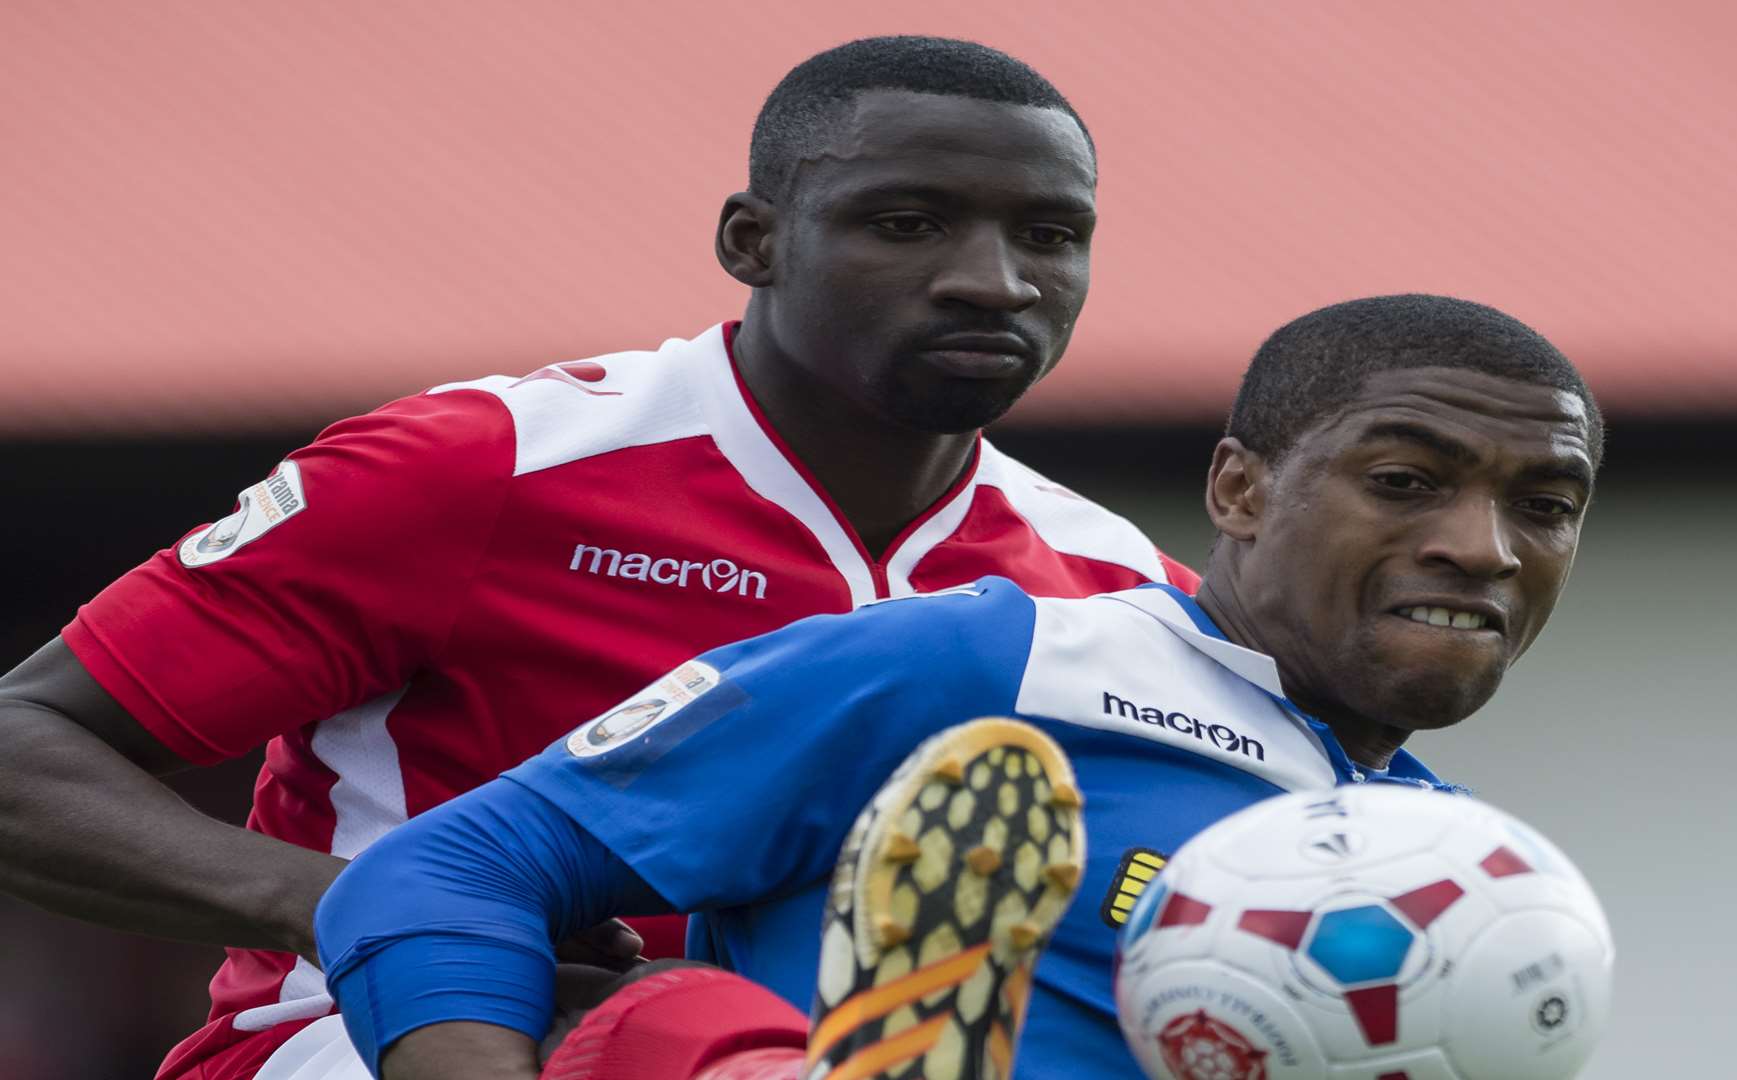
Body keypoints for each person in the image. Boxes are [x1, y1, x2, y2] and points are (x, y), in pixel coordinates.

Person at [0, 36, 1198, 1080]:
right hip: (354, 1042)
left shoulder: (1116, 591)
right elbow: (22, 750)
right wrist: (409, 916)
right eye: (906, 223)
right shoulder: (482, 466)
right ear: (753, 240)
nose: (992, 281)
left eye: (1051, 235)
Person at [314, 293, 1606, 1079]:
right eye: (1405, 482)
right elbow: (437, 876)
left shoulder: (1459, 878)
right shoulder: (996, 664)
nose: (1483, 547)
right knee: (667, 1038)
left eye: (1544, 506)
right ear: (1239, 491)